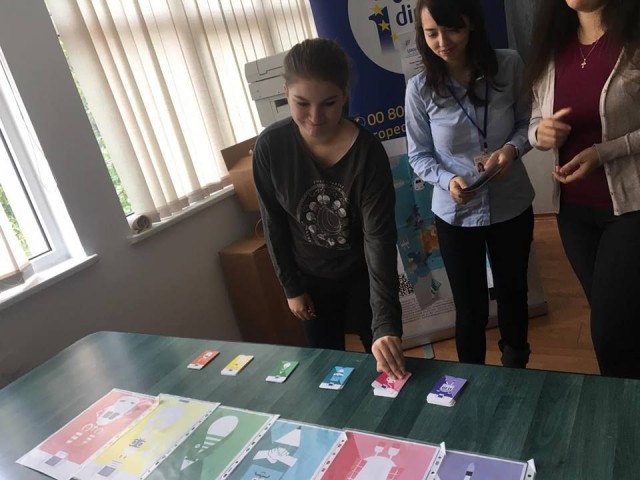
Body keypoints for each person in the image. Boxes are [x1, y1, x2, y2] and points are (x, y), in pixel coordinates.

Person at [252, 38, 406, 379]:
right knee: (324, 369)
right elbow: (273, 223)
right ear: (285, 92)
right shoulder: (271, 147)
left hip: (362, 274)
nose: (315, 118)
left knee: (385, 362)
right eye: (301, 103)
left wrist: (385, 324)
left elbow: (378, 239)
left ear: (345, 94)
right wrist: (292, 287)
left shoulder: (368, 153)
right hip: (311, 278)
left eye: (329, 103)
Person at [405, 0, 535, 367]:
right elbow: (419, 155)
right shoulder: (420, 88)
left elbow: (528, 121)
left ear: (471, 24)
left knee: (513, 293)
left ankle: (516, 370)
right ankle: (472, 380)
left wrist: (511, 150)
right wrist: (448, 180)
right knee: (470, 307)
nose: (442, 42)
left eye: (452, 30)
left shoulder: (508, 65)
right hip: (456, 213)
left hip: (511, 202)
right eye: (432, 33)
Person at [524, 0, 640, 379]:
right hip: (573, 213)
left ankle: (616, 409)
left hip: (629, 208)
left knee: (609, 332)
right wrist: (539, 134)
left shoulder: (632, 39)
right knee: (621, 321)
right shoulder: (552, 44)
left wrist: (603, 152)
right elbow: (535, 117)